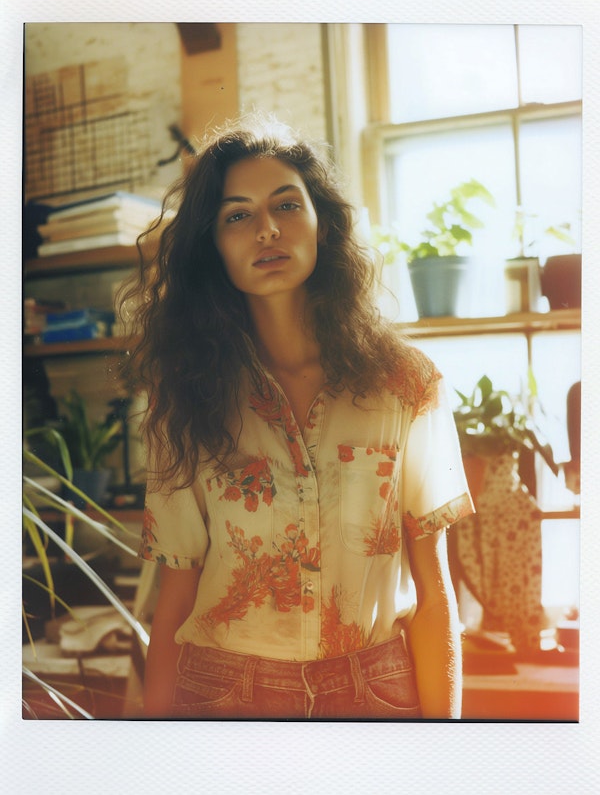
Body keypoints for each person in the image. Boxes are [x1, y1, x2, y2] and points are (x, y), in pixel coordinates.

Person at [124, 114, 474, 720]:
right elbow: (174, 598)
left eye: (286, 205)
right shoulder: (185, 397)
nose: (266, 230)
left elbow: (433, 590)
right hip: (224, 694)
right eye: (237, 215)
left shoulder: (406, 384)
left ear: (322, 224)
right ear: (214, 246)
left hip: (377, 690)